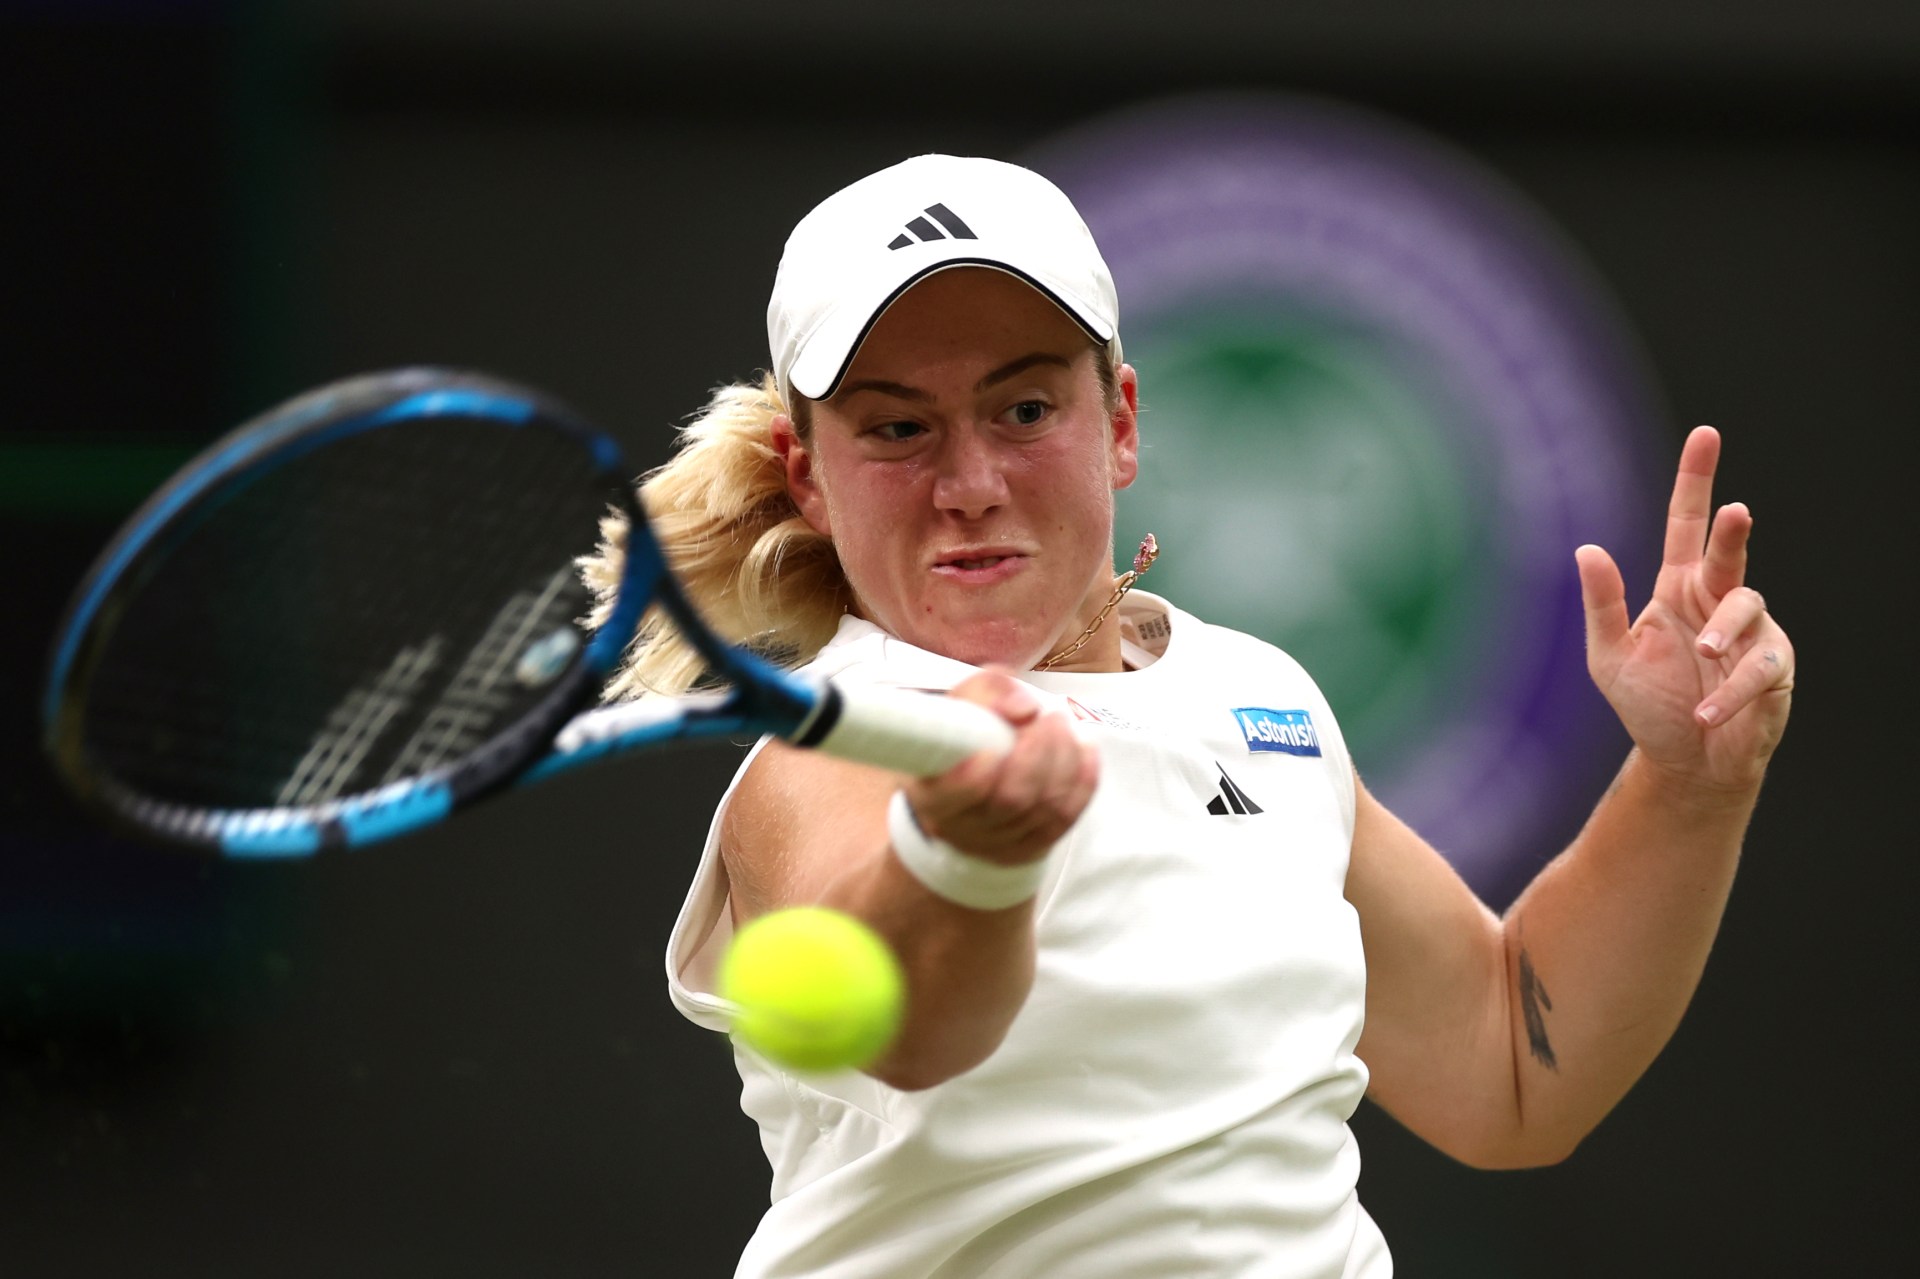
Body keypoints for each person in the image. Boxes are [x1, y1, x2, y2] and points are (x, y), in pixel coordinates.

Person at [581, 154, 1794, 1277]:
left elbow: (1513, 1072)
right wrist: (971, 856)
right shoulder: (824, 753)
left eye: (1022, 411)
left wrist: (1689, 787)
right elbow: (909, 1029)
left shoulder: (1260, 697)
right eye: (900, 429)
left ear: (1117, 422)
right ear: (810, 473)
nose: (970, 485)